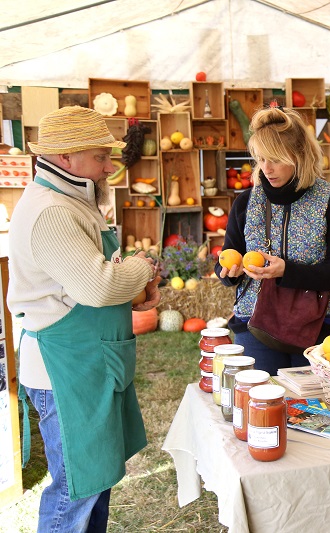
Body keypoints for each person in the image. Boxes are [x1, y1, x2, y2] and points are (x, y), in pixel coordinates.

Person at [8, 106, 161, 532]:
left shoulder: (70, 201)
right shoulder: (52, 211)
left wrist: (124, 287)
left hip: (86, 364)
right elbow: (96, 286)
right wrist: (143, 267)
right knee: (77, 490)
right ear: (65, 157)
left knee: (95, 481)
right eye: (100, 157)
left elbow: (79, 283)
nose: (109, 166)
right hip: (66, 371)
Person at [216, 106, 330, 374]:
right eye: (261, 159)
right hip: (254, 325)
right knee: (258, 409)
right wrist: (228, 273)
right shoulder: (246, 202)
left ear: (299, 156)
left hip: (315, 329)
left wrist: (286, 271)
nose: (267, 169)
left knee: (311, 412)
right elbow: (228, 256)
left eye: (276, 159)